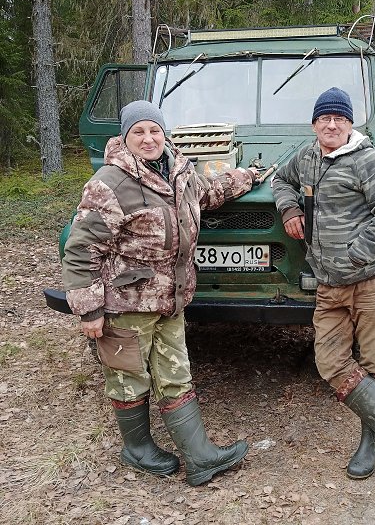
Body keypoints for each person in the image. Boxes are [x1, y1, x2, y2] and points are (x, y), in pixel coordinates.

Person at [62, 100, 259, 486]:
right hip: (125, 303)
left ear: (164, 133)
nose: (148, 138)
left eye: (154, 130)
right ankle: (137, 450)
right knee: (128, 378)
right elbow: (82, 249)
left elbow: (208, 192)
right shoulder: (109, 183)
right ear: (125, 137)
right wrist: (89, 310)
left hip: (171, 300)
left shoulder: (179, 170)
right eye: (138, 132)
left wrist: (248, 176)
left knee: (176, 375)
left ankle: (200, 458)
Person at [272, 87, 375, 484]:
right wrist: (289, 209)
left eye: (339, 118)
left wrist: (356, 254)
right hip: (329, 286)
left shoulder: (367, 160)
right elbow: (280, 180)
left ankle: (370, 444)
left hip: (371, 281)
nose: (332, 125)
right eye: (325, 118)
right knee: (330, 361)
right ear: (314, 124)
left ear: (350, 124)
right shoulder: (306, 157)